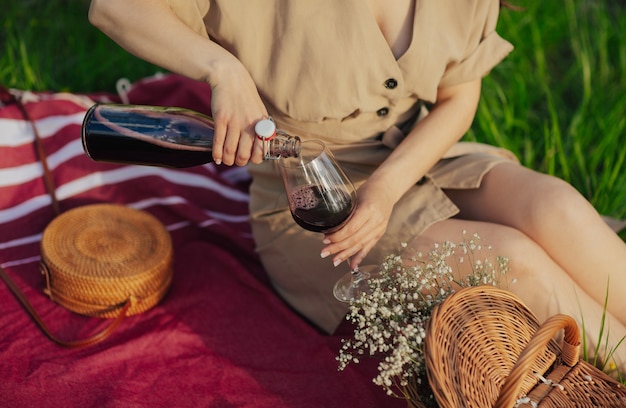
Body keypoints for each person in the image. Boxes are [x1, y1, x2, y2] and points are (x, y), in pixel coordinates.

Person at [88, 0, 625, 371]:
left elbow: (457, 98)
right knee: (512, 259)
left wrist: (389, 188)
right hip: (307, 199)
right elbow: (113, 8)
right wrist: (222, 70)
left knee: (559, 207)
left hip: (414, 156)